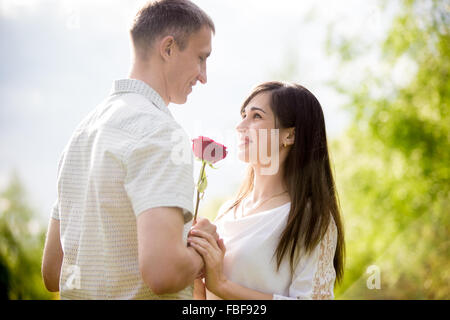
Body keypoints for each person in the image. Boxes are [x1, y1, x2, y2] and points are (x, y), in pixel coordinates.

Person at [41, 0, 218, 299]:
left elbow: (52, 272)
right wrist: (203, 251)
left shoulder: (82, 133)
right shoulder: (161, 133)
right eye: (201, 58)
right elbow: (164, 274)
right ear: (168, 48)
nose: (203, 75)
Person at [190, 81, 346, 300]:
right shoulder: (228, 210)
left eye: (256, 116)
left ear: (289, 136)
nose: (240, 126)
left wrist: (222, 286)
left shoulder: (309, 218)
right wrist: (196, 268)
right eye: (243, 114)